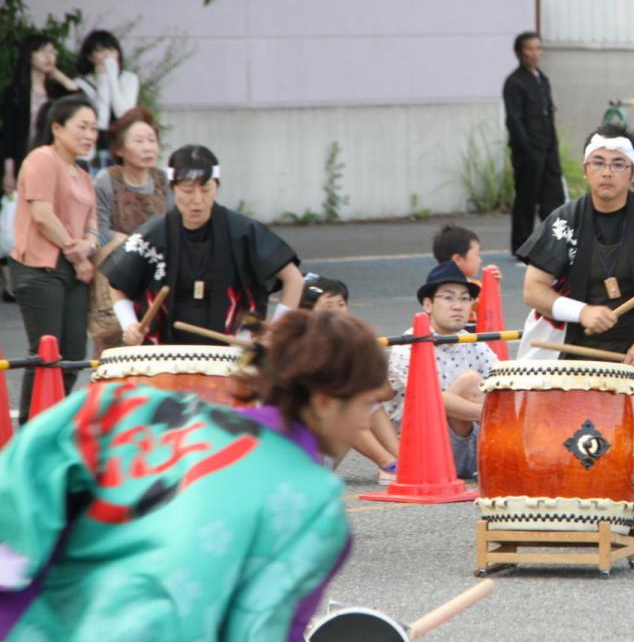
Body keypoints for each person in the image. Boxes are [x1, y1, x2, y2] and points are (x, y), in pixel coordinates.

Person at [0, 309, 389, 638]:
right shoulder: (312, 502)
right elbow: (260, 630)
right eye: (366, 403)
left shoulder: (133, 409)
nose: (363, 422)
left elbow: (28, 475)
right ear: (323, 401)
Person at [518, 123, 634, 552]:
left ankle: (628, 520)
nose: (608, 172)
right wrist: (581, 311)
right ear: (585, 169)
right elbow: (533, 288)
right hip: (567, 346)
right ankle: (562, 515)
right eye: (599, 163)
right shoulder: (565, 221)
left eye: (619, 164)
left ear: (632, 174)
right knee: (560, 434)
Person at [101, 144, 305, 346]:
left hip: (233, 354)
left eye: (205, 188)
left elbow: (294, 279)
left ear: (216, 186)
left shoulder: (243, 231)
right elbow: (117, 283)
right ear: (173, 188)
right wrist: (129, 325)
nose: (197, 199)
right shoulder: (154, 233)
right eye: (187, 190)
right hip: (166, 355)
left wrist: (275, 333)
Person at [10, 95, 99, 423]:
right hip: (39, 267)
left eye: (94, 128)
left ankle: (51, 422)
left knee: (74, 354)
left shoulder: (82, 173)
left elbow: (93, 226)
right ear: (57, 128)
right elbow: (43, 215)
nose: (90, 135)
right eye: (82, 126)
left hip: (75, 270)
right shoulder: (41, 159)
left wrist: (87, 246)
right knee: (46, 353)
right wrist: (76, 252)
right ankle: (31, 427)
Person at [384, 261, 496, 481]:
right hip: (421, 449)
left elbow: (501, 383)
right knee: (470, 381)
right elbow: (427, 398)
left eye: (465, 299)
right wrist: (491, 416)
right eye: (448, 297)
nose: (458, 305)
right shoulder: (408, 345)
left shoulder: (473, 342)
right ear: (428, 305)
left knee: (489, 385)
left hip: (469, 445)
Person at [300, 274, 399, 484]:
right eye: (328, 305)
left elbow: (386, 391)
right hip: (307, 452)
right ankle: (388, 464)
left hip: (333, 445)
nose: (337, 310)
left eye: (341, 304)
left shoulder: (353, 341)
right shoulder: (303, 347)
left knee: (366, 403)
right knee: (342, 404)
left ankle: (402, 462)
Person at [89, 107, 173, 354]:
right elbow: (99, 228)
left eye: (151, 140)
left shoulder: (163, 180)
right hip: (115, 270)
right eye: (139, 141)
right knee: (114, 347)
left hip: (155, 270)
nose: (148, 147)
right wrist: (135, 245)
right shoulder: (106, 180)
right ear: (119, 149)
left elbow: (173, 225)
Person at [503, 31, 565, 255]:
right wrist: (527, 149)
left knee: (554, 198)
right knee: (526, 199)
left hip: (548, 148)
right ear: (519, 52)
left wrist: (553, 147)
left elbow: (549, 114)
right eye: (530, 49)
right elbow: (514, 119)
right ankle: (521, 247)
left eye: (538, 48)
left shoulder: (542, 79)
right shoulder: (514, 82)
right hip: (528, 152)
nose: (535, 53)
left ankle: (554, 245)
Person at [1, 34, 79, 195]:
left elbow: (80, 101)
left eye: (52, 52)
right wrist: (9, 171)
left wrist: (59, 76)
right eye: (43, 52)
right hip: (22, 159)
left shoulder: (55, 92)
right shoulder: (15, 92)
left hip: (51, 161)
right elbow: (8, 134)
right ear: (29, 55)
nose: (49, 57)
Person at [75, 29, 140, 167]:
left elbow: (123, 113)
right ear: (90, 57)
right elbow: (101, 121)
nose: (107, 56)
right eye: (100, 51)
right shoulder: (82, 84)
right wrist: (103, 81)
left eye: (111, 50)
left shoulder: (129, 79)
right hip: (96, 144)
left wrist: (111, 76)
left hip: (123, 141)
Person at [432, 222, 502, 327]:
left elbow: (491, 311)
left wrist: (493, 286)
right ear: (458, 259)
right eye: (477, 254)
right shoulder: (475, 288)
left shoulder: (433, 287)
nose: (480, 260)